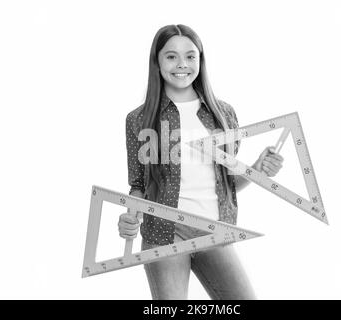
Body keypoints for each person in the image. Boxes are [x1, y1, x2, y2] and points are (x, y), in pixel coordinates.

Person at [118, 24, 284, 300]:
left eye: (190, 56)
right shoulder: (137, 119)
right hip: (164, 232)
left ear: (201, 60)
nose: (182, 64)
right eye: (171, 56)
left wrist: (256, 169)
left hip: (215, 230)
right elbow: (138, 186)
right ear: (156, 61)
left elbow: (226, 184)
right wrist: (129, 216)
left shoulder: (224, 114)